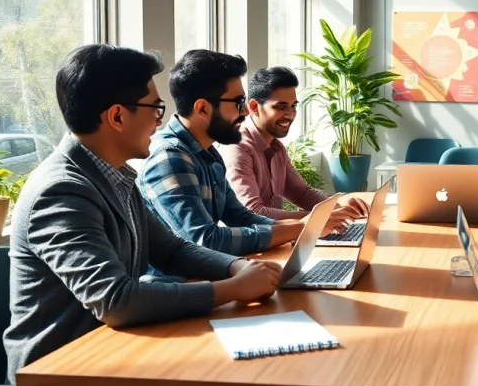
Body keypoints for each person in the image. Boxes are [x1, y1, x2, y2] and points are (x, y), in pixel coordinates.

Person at [3, 45, 311, 386]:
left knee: (279, 381)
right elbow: (116, 300)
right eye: (154, 108)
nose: (159, 120)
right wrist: (231, 289)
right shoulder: (61, 191)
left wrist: (236, 268)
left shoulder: (115, 176)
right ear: (117, 116)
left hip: (125, 354)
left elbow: (172, 250)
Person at [138, 51, 343, 259]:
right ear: (202, 108)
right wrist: (301, 227)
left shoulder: (207, 152)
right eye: (238, 102)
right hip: (181, 285)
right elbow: (205, 240)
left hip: (214, 275)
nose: (245, 111)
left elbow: (241, 216)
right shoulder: (169, 158)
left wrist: (309, 224)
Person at [220, 66, 368, 220]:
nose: (290, 115)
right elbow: (253, 213)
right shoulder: (237, 149)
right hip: (252, 242)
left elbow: (301, 193)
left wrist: (339, 203)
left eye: (293, 106)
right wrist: (319, 217)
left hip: (276, 239)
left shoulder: (276, 147)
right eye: (280, 106)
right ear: (254, 107)